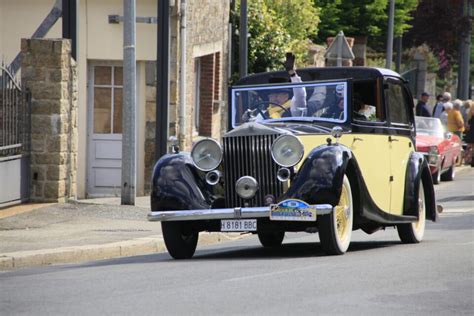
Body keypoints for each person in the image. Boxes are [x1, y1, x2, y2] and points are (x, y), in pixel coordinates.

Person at [463, 102, 474, 167]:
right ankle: (469, 160)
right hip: (471, 134)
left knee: (469, 147)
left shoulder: (470, 117)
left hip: (470, 134)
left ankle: (467, 160)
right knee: (470, 147)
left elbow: (467, 126)